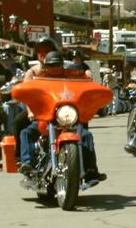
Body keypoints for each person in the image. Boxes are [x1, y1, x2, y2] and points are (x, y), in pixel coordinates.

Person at [17, 50, 106, 182]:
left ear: (62, 65)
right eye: (52, 65)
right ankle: (28, 163)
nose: (55, 68)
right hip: (46, 118)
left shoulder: (70, 77)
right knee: (26, 132)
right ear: (46, 66)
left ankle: (91, 170)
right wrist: (31, 111)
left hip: (66, 117)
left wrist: (89, 78)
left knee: (86, 135)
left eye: (57, 65)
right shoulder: (39, 78)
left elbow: (84, 83)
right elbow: (29, 93)